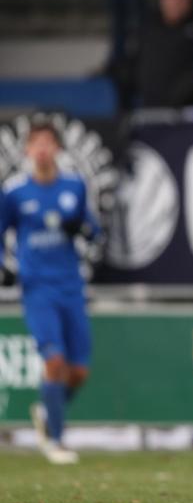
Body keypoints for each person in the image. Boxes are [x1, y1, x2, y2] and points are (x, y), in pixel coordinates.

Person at [0, 120, 100, 464]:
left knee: (79, 372)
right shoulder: (14, 192)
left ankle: (47, 412)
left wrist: (83, 227)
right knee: (54, 360)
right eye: (36, 143)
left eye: (48, 142)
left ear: (57, 148)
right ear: (27, 150)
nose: (42, 149)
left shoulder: (74, 185)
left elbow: (93, 229)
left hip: (71, 286)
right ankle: (55, 441)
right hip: (37, 287)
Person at [135, 0, 193, 107]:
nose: (174, 4)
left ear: (190, 0)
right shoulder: (149, 28)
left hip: (190, 106)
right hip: (152, 106)